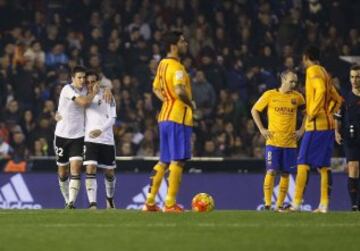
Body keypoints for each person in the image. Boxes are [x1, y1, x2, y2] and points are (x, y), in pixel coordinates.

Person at [142, 31, 195, 212]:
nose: (185, 44)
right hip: (178, 117)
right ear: (173, 45)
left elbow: (155, 88)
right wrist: (191, 103)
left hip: (164, 117)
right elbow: (180, 90)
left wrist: (167, 100)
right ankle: (170, 203)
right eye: (182, 41)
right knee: (178, 160)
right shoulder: (178, 68)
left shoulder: (162, 65)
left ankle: (150, 202)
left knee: (163, 161)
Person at [289, 46, 343, 213]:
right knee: (323, 166)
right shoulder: (325, 73)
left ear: (306, 57)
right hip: (327, 125)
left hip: (316, 125)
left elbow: (320, 90)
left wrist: (313, 112)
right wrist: (329, 112)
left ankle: (296, 203)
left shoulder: (312, 71)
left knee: (302, 163)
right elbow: (337, 99)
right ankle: (324, 205)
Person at [251, 70, 305, 211]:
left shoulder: (298, 97)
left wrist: (301, 130)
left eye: (295, 82)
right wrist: (262, 129)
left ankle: (280, 205)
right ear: (283, 79)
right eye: (291, 81)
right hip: (273, 142)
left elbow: (307, 113)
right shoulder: (270, 95)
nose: (293, 84)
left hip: (290, 143)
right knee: (271, 171)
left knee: (286, 173)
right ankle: (268, 204)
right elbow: (254, 110)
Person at [54, 66, 99, 209]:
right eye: (79, 77)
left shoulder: (87, 90)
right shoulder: (67, 89)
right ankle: (67, 199)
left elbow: (99, 86)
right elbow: (84, 102)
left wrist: (106, 90)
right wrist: (93, 94)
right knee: (62, 171)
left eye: (83, 78)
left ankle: (71, 203)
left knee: (76, 168)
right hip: (61, 135)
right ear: (72, 78)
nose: (82, 80)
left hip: (78, 136)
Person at [83, 70, 117, 209]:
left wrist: (100, 130)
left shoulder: (108, 96)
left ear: (98, 82)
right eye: (88, 82)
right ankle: (93, 204)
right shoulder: (84, 97)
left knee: (109, 172)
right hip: (90, 139)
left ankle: (109, 199)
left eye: (93, 82)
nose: (90, 85)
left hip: (107, 139)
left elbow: (113, 119)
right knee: (90, 168)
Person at [334, 64, 360, 211]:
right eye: (352, 77)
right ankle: (354, 204)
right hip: (350, 138)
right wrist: (337, 132)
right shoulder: (344, 97)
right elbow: (337, 117)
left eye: (357, 77)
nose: (354, 80)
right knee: (353, 166)